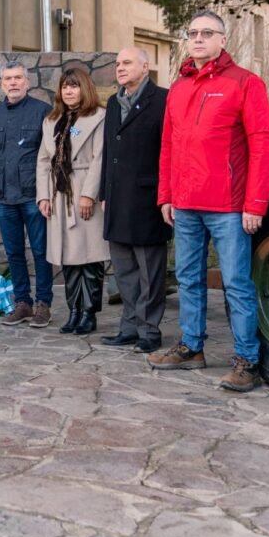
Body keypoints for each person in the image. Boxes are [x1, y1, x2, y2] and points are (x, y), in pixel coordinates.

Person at [148, 11, 269, 391]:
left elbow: (262, 144)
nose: (198, 39)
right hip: (185, 204)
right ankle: (191, 348)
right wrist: (166, 195)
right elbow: (168, 145)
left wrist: (255, 203)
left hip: (229, 206)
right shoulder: (180, 87)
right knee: (188, 278)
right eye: (193, 33)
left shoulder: (245, 83)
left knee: (237, 284)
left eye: (207, 33)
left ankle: (247, 361)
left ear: (222, 40)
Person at [99, 48, 171, 354]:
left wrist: (167, 194)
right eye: (117, 64)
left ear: (145, 67)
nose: (120, 68)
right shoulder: (114, 103)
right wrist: (104, 192)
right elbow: (108, 152)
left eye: (127, 63)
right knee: (124, 272)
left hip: (148, 200)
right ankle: (128, 328)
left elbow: (170, 151)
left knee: (150, 274)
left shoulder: (164, 100)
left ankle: (149, 331)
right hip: (116, 199)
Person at [36, 68, 108, 335]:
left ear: (84, 88)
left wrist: (89, 193)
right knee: (68, 258)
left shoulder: (99, 117)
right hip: (59, 193)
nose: (68, 91)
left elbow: (100, 157)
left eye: (74, 86)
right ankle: (74, 310)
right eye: (65, 86)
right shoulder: (52, 120)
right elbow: (43, 160)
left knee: (89, 257)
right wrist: (43, 195)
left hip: (83, 189)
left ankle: (89, 312)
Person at [0, 60, 53, 328]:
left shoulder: (43, 112)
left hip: (34, 195)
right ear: (1, 84)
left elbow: (49, 155)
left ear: (27, 81)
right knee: (13, 252)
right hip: (4, 196)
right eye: (7, 79)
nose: (13, 83)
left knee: (40, 251)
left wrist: (46, 194)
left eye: (17, 78)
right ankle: (22, 303)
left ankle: (43, 304)